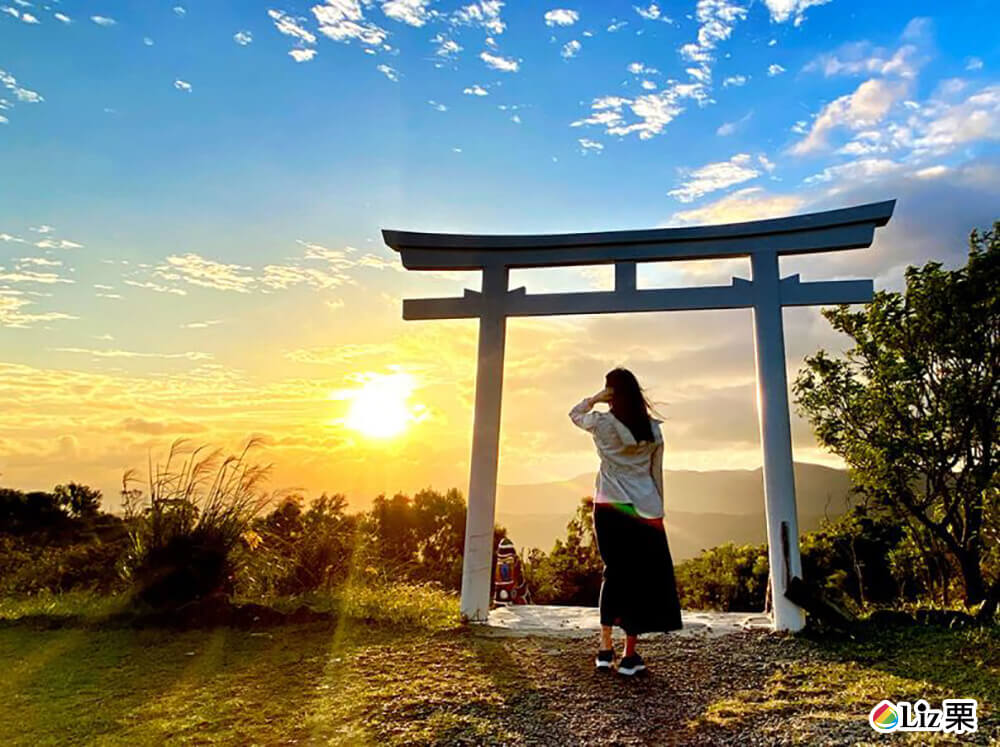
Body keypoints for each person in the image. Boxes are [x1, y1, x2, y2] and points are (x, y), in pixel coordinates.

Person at [569, 367, 683, 676]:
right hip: (643, 509)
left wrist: (595, 398)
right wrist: (659, 507)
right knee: (638, 579)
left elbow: (575, 413)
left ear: (611, 393)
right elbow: (656, 474)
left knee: (614, 574)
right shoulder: (653, 430)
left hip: (609, 506)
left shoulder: (602, 423)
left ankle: (605, 650)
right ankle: (629, 656)